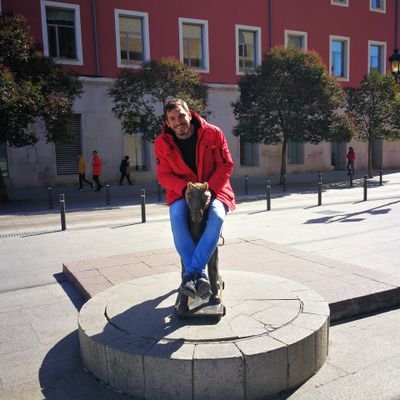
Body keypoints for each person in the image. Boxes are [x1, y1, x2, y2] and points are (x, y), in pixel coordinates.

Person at [154, 98, 235, 299]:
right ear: (167, 121)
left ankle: (192, 274)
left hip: (214, 189)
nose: (178, 121)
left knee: (216, 217)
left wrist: (211, 190)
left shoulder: (213, 133)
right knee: (177, 219)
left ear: (189, 113)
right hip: (181, 192)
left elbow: (226, 165)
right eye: (172, 118)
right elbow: (163, 175)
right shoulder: (162, 142)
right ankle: (201, 276)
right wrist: (184, 190)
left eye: (181, 115)